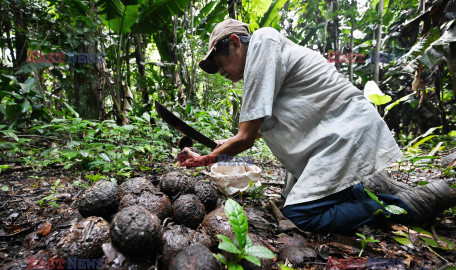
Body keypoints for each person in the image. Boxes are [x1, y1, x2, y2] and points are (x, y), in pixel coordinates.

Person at [178, 19, 456, 234]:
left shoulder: (263, 42)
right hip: (334, 140)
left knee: (300, 214)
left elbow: (246, 137)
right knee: (297, 202)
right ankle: (373, 193)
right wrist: (216, 151)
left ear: (236, 43)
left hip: (344, 133)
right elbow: (247, 135)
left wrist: (210, 157)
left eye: (219, 62)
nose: (223, 73)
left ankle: (406, 206)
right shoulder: (263, 74)